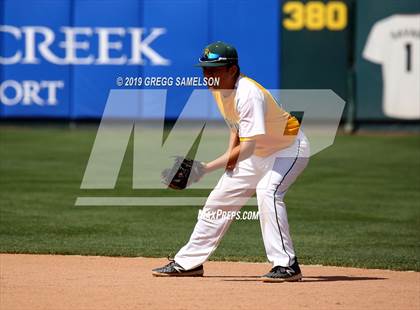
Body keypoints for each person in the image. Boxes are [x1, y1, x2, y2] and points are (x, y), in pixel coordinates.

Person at [152, 41, 310, 282]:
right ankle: (188, 263)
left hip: (288, 148)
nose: (208, 76)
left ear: (232, 70)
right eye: (205, 70)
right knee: (219, 200)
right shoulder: (220, 89)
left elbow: (248, 147)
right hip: (258, 152)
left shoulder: (248, 93)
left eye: (214, 70)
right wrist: (229, 159)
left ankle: (287, 265)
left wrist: (204, 168)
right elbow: (236, 127)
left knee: (267, 191)